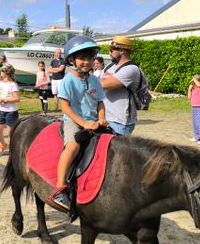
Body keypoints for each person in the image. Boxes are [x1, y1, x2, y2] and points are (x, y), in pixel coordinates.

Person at [51, 36, 106, 210]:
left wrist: (102, 118)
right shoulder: (68, 80)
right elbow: (65, 107)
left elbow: (100, 102)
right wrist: (84, 123)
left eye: (90, 58)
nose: (87, 62)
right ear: (72, 60)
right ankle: (60, 188)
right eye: (82, 58)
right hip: (73, 121)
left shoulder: (95, 80)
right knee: (73, 146)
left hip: (93, 121)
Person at [100, 36, 140, 136]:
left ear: (122, 50)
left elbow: (102, 84)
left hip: (120, 122)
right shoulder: (109, 66)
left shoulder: (131, 69)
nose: (109, 52)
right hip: (105, 118)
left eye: (111, 49)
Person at [0, 64, 20, 155]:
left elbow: (17, 98)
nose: (0, 72)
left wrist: (4, 99)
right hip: (2, 111)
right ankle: (4, 144)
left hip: (11, 112)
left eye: (2, 71)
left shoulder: (13, 84)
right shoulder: (0, 84)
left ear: (7, 73)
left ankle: (14, 150)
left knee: (10, 133)